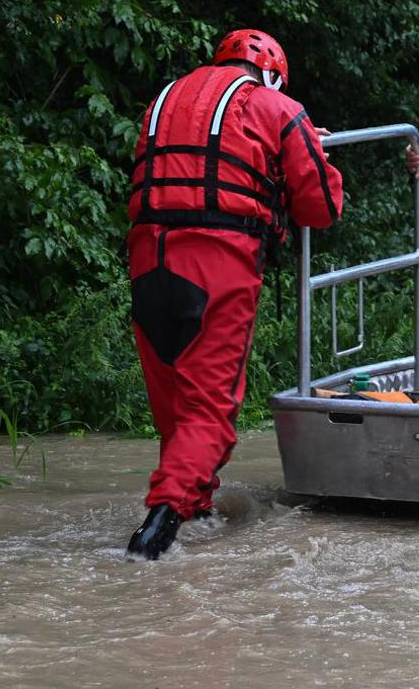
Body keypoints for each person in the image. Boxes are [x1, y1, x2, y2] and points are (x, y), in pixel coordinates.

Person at [124, 29, 343, 559]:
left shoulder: (165, 99)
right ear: (271, 73)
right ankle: (158, 529)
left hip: (147, 255)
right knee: (208, 411)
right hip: (217, 260)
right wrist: (311, 142)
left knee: (174, 405)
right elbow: (322, 207)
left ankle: (193, 506)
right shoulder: (277, 106)